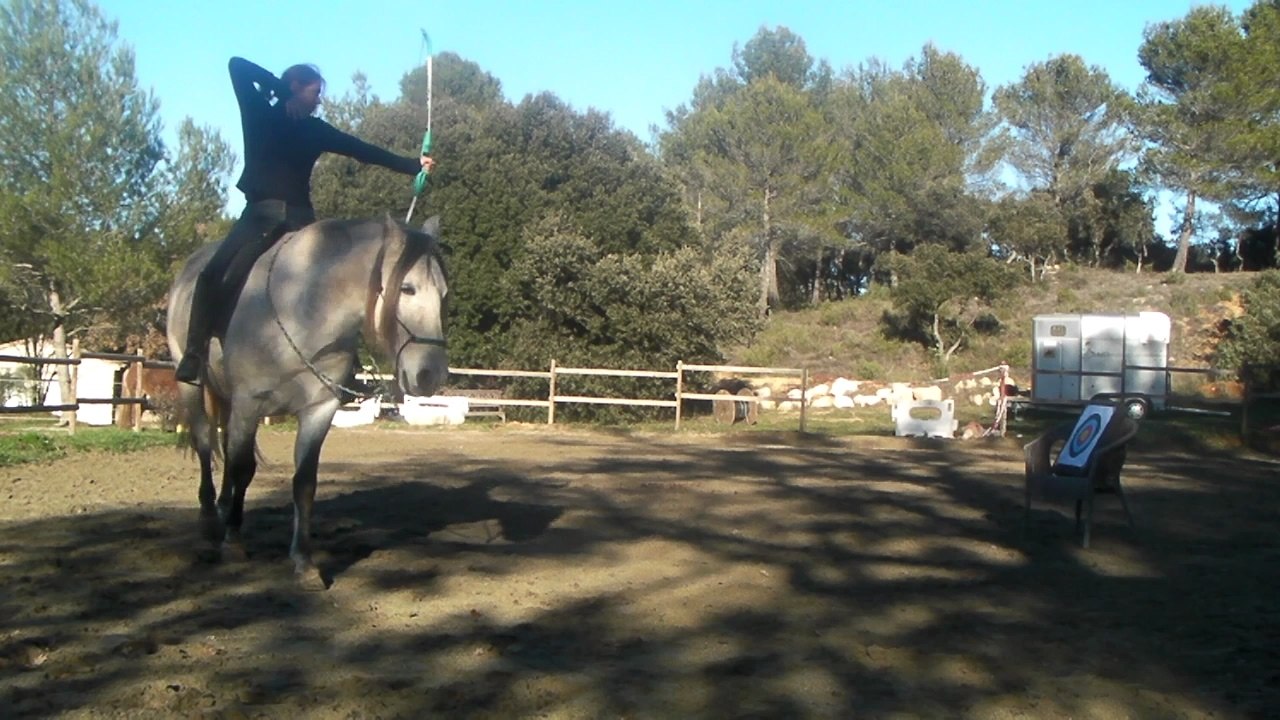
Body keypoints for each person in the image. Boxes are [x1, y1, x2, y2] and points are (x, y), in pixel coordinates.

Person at [175, 57, 434, 384]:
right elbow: (235, 65)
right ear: (295, 87)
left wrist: (414, 165)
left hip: (301, 220)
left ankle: (346, 364)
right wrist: (283, 91)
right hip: (260, 215)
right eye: (314, 92)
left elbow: (361, 149)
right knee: (213, 274)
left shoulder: (314, 129)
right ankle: (195, 353)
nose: (319, 100)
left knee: (338, 281)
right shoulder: (259, 111)